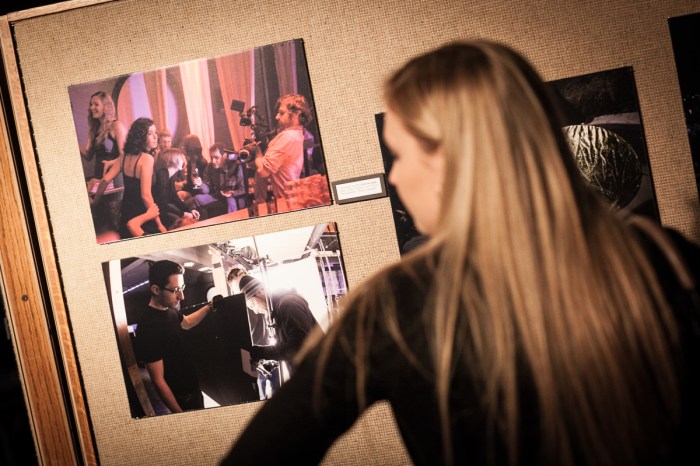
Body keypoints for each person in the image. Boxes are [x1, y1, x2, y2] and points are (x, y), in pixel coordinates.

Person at [222, 41, 700, 465]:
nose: (394, 177)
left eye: (401, 155)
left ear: (454, 161)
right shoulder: (664, 259)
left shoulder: (398, 304)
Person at [135, 260, 215, 414]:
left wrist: (209, 306)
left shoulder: (170, 310)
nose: (182, 296)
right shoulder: (148, 326)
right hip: (181, 396)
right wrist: (179, 414)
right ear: (156, 289)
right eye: (176, 290)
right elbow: (158, 380)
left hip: (193, 387)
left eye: (182, 288)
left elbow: (187, 322)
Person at [238, 274, 318, 399]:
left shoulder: (288, 305)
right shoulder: (279, 308)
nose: (255, 311)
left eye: (253, 305)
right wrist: (272, 361)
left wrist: (260, 352)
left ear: (260, 292)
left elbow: (298, 346)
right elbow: (288, 343)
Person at [81, 91, 127, 233]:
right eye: (91, 104)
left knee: (114, 223)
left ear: (106, 106)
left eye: (96, 104)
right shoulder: (94, 130)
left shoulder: (116, 126)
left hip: (114, 180)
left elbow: (124, 155)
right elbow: (88, 155)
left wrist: (111, 163)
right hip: (97, 181)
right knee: (100, 223)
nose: (91, 107)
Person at [253, 94, 312, 200]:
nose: (277, 117)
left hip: (285, 200)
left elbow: (262, 171)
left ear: (296, 114)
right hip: (292, 197)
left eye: (281, 113)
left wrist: (257, 150)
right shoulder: (297, 133)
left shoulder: (287, 137)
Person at [115, 117, 166, 238]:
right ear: (141, 137)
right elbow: (146, 195)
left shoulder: (125, 156)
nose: (155, 137)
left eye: (155, 132)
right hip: (142, 215)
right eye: (150, 133)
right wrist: (159, 225)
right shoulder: (147, 159)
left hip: (126, 212)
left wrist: (95, 202)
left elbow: (105, 179)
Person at [193, 143, 246, 218]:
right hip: (219, 196)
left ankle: (233, 222)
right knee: (197, 198)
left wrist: (231, 193)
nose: (213, 161)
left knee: (230, 201)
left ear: (224, 156)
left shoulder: (235, 165)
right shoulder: (209, 167)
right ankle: (206, 222)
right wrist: (201, 184)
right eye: (211, 158)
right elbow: (207, 190)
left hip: (234, 197)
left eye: (216, 157)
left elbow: (243, 189)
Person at [152, 147, 200, 229]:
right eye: (180, 158)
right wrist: (182, 214)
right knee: (180, 221)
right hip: (156, 212)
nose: (183, 161)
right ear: (174, 160)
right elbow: (162, 205)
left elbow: (174, 197)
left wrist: (189, 210)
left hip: (161, 210)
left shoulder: (169, 175)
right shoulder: (162, 174)